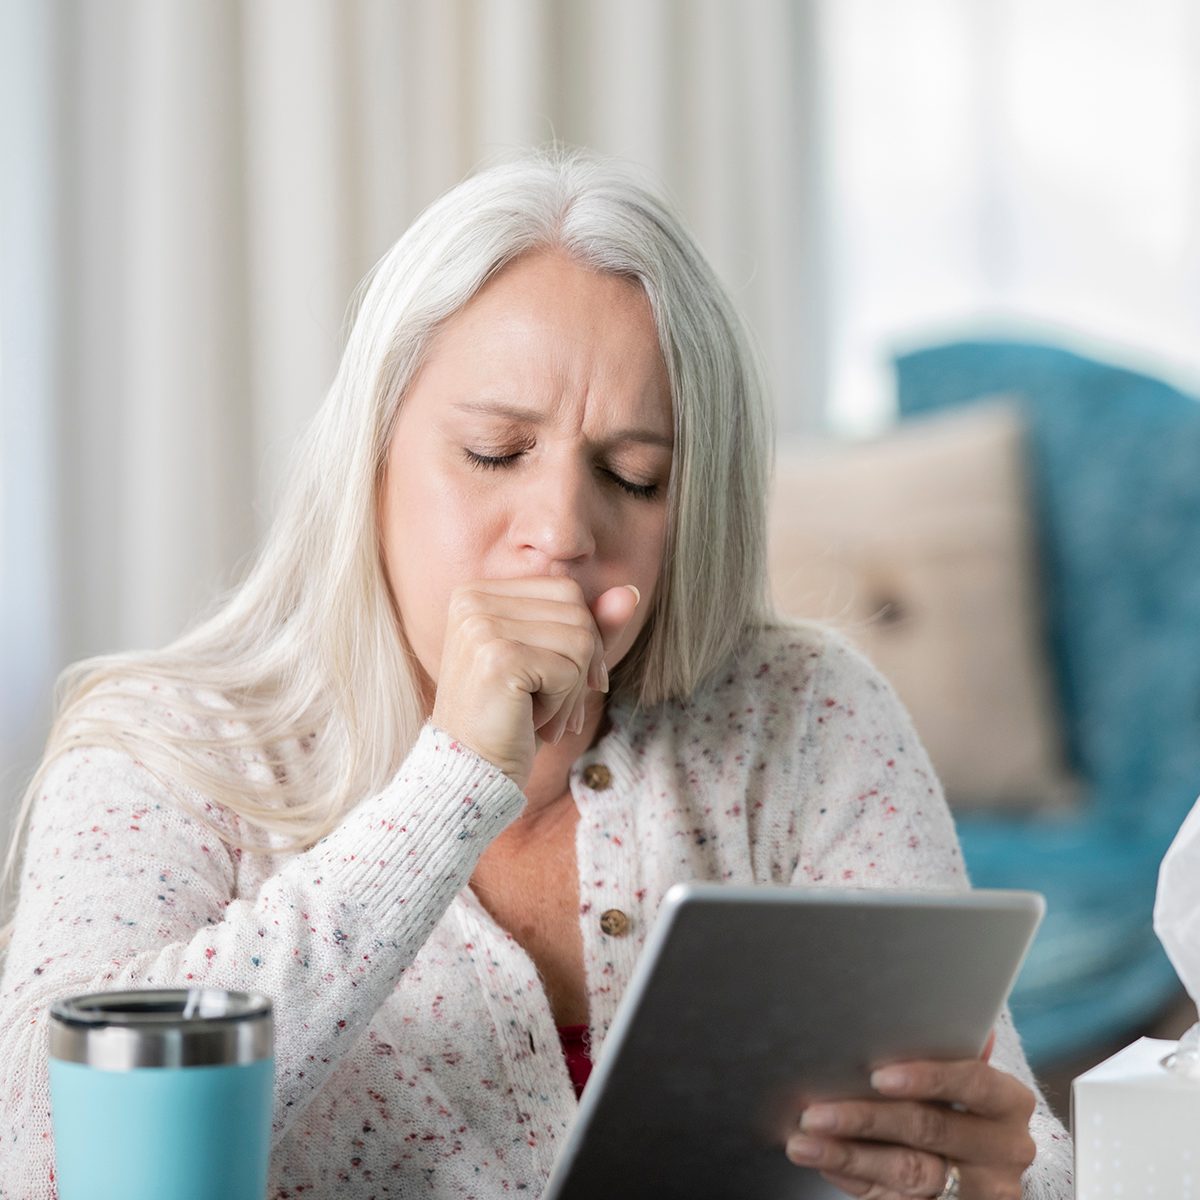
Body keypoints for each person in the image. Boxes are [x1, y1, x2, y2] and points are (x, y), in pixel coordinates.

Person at [0, 147, 1072, 1199]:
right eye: (496, 454)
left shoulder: (804, 712)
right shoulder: (162, 750)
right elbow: (48, 1155)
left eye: (634, 476)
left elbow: (1028, 1149)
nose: (560, 532)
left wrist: (977, 1184)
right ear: (371, 458)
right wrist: (452, 782)